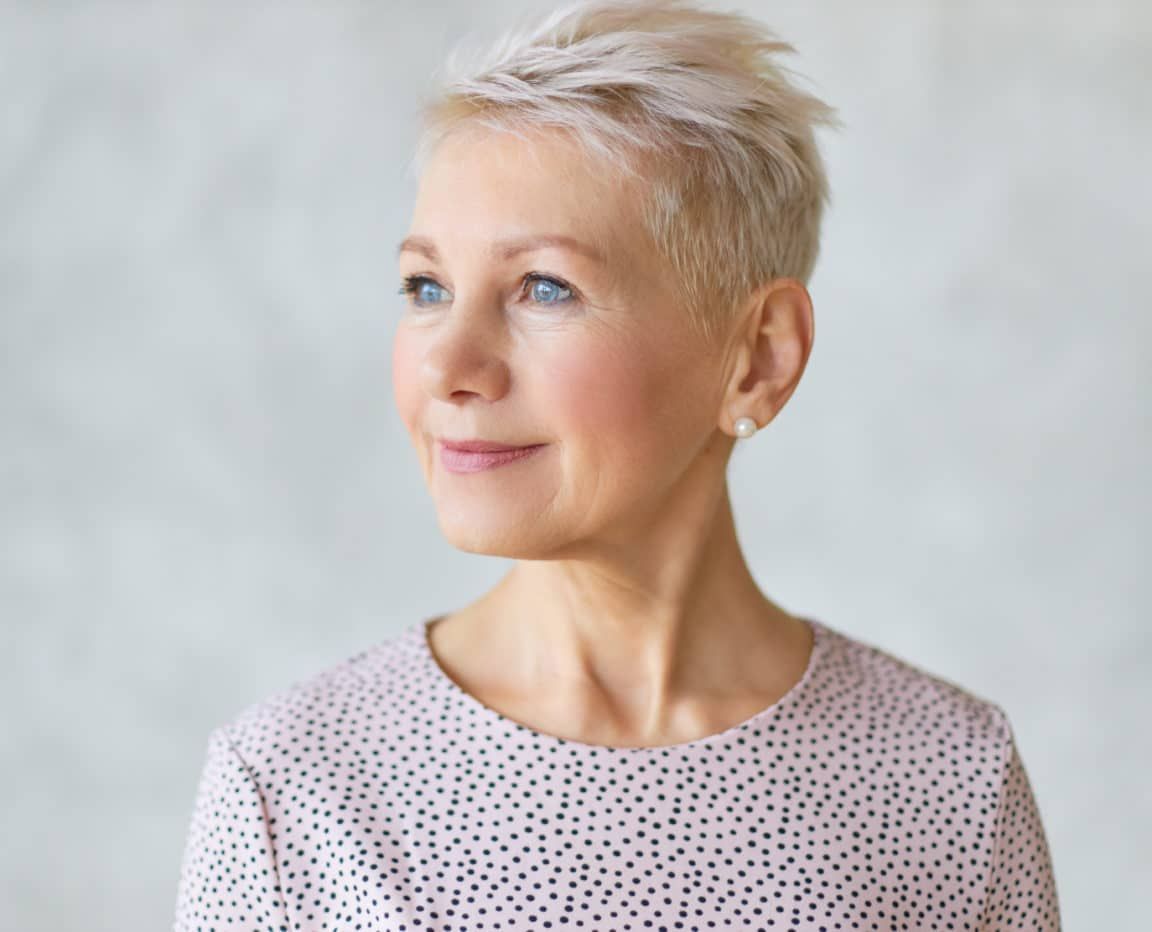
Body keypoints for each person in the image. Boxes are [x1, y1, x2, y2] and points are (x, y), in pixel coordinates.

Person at [173, 1, 1061, 929]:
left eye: (544, 288)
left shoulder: (949, 778)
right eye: (425, 287)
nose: (447, 365)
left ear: (758, 356)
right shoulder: (290, 787)